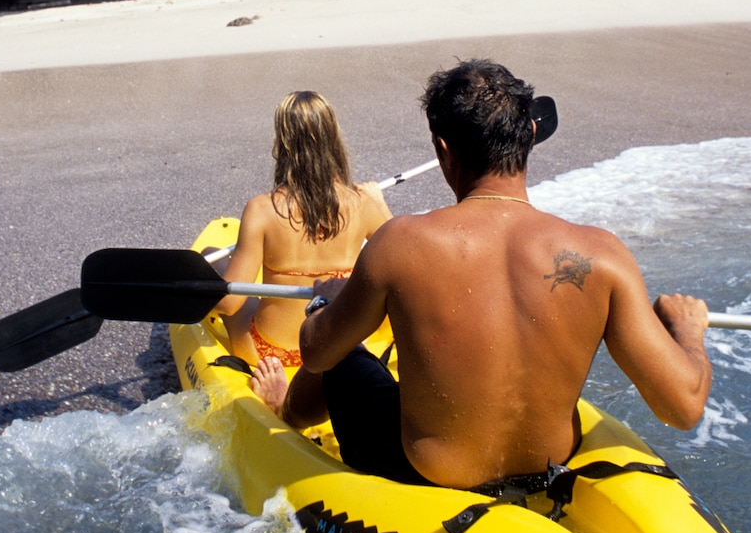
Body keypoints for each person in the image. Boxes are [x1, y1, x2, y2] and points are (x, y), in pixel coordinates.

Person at [253, 59, 711, 489]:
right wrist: (687, 332)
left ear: (443, 150)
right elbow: (684, 407)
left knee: (344, 353)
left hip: (422, 472)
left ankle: (284, 417)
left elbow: (315, 353)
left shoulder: (401, 244)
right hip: (542, 471)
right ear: (529, 137)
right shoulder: (603, 254)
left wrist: (325, 303)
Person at [217, 91, 392, 371]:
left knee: (215, 257)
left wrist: (204, 299)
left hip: (271, 355)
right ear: (333, 137)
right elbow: (404, 260)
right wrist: (379, 204)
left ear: (282, 142)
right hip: (339, 348)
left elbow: (230, 304)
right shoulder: (363, 203)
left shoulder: (261, 210)